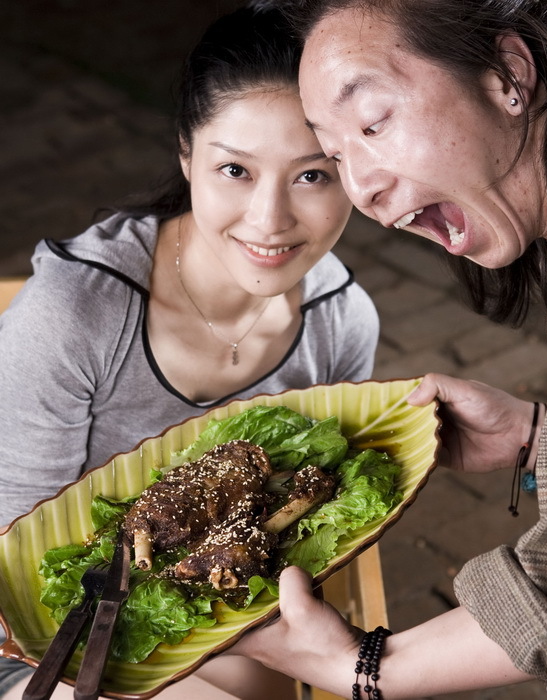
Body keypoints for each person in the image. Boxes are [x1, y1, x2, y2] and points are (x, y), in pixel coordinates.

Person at [231, 0, 547, 698]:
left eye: (374, 123)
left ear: (508, 74)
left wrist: (356, 666)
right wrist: (545, 435)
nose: (363, 188)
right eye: (335, 154)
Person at [0, 4, 378, 699]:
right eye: (235, 169)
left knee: (258, 674)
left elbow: (306, 536)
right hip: (31, 639)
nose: (270, 219)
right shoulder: (76, 314)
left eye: (314, 175)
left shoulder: (341, 323)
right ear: (186, 155)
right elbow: (15, 567)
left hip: (209, 619)